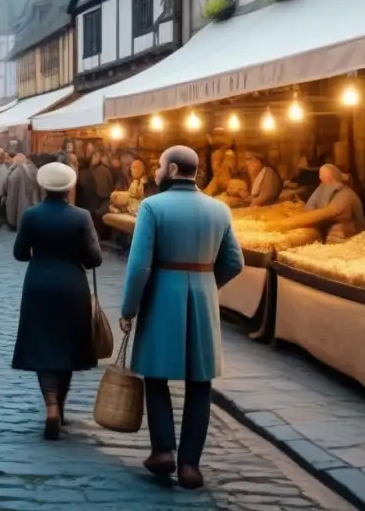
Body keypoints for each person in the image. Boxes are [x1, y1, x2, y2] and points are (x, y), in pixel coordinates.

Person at [120, 146, 244, 489]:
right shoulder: (219, 209)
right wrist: (207, 284)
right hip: (203, 296)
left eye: (159, 166)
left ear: (172, 169)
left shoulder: (152, 206)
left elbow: (139, 266)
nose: (155, 172)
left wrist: (129, 309)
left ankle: (163, 450)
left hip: (163, 293)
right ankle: (190, 465)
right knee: (199, 382)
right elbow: (235, 262)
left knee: (156, 375)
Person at [12, 162, 102, 440]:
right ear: (69, 188)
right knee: (67, 342)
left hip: (38, 282)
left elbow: (19, 253)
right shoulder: (82, 216)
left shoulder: (31, 215)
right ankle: (60, 406)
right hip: (71, 284)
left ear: (43, 186)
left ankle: (51, 405)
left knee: (42, 341)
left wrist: (40, 256)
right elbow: (95, 258)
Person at [271, 164, 365, 243]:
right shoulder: (323, 188)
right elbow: (310, 209)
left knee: (337, 230)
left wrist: (281, 225)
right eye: (322, 177)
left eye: (326, 178)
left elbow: (326, 213)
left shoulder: (346, 194)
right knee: (305, 232)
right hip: (324, 231)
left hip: (353, 239)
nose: (323, 180)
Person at [4, 154, 40, 230]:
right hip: (34, 199)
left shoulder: (15, 172)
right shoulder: (34, 169)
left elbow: (8, 186)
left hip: (20, 200)